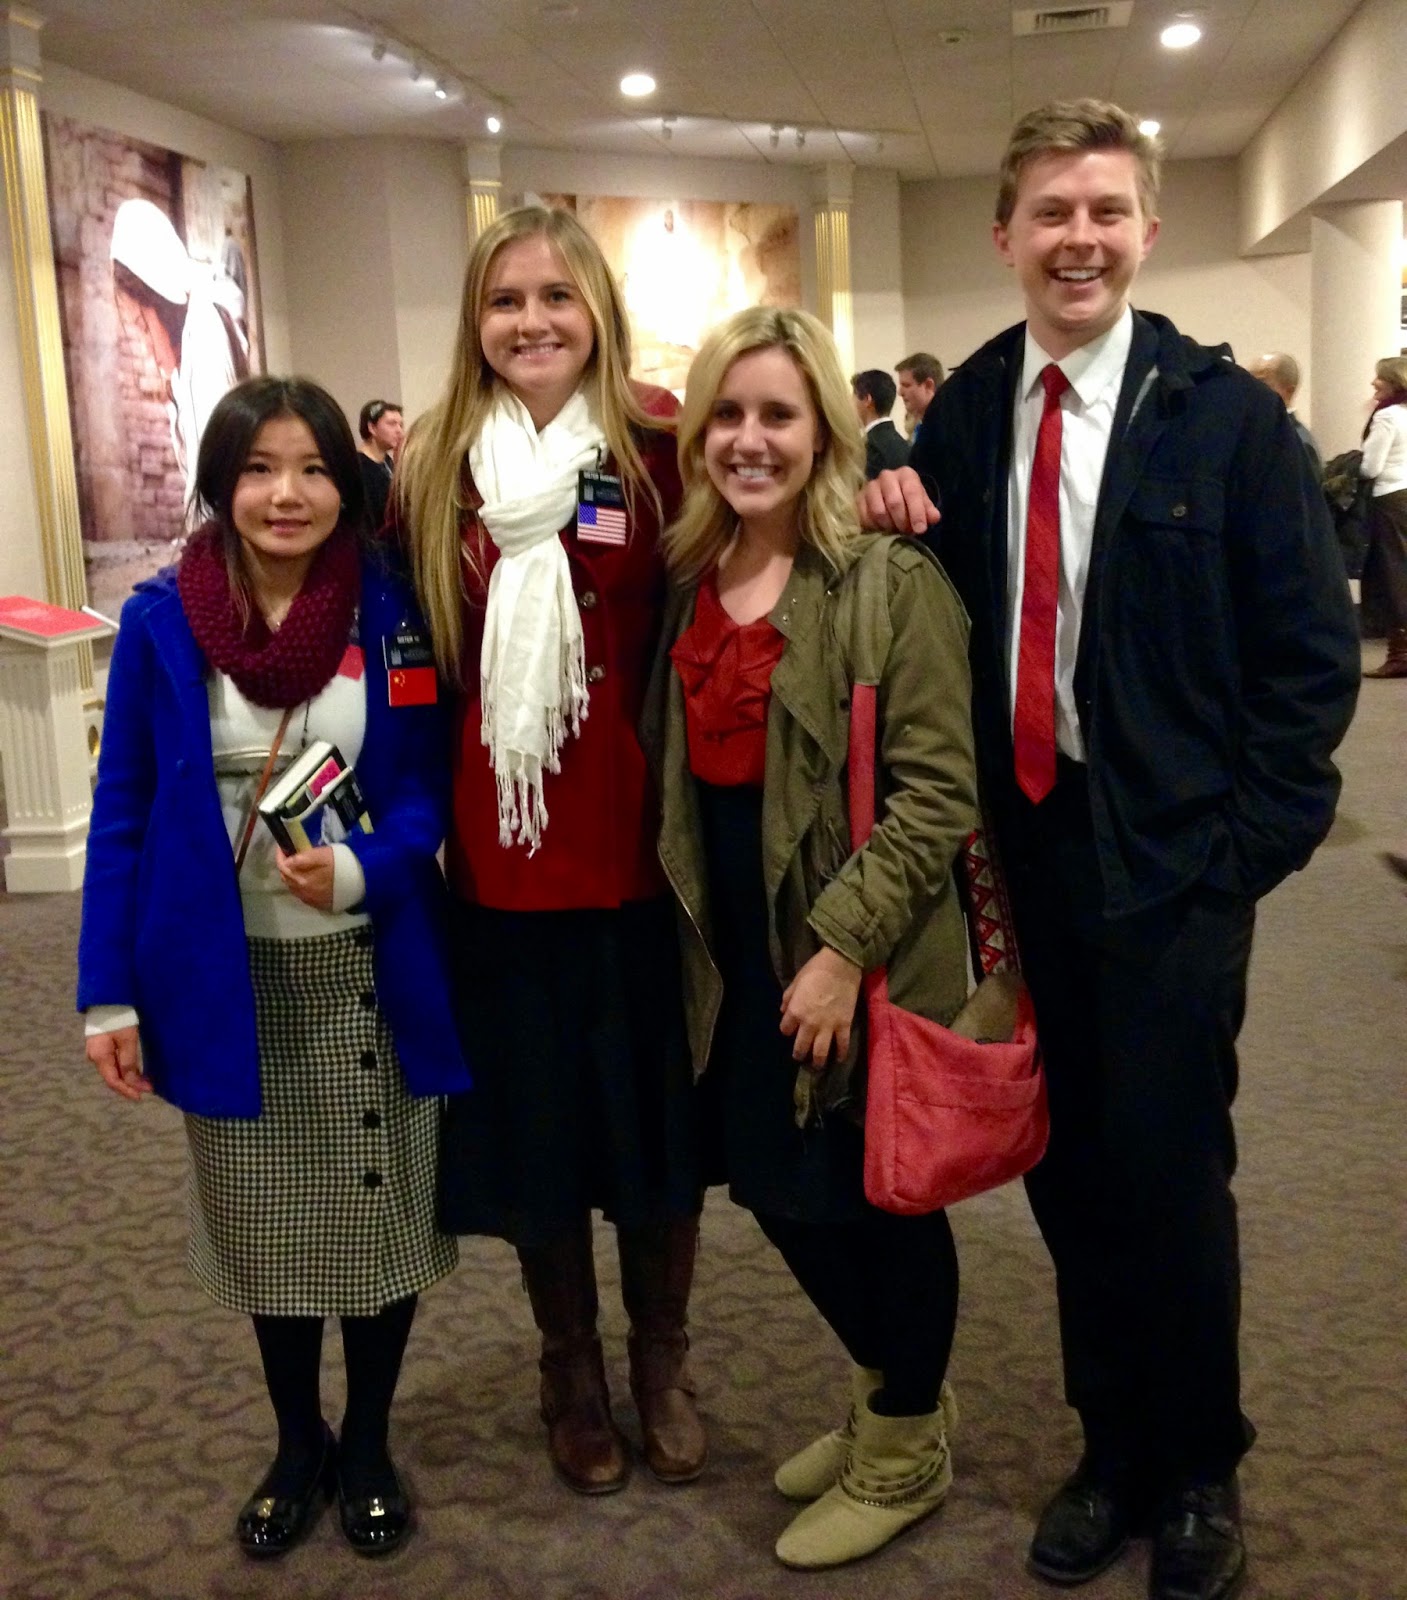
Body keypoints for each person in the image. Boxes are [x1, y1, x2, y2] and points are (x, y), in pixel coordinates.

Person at [861, 100, 1358, 1600]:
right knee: (1066, 1166)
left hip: (1173, 860)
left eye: (1103, 211)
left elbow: (1307, 658)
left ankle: (1197, 1462)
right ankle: (1110, 1448)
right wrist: (888, 507)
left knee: (1169, 1169)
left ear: (1146, 228)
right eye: (1049, 213)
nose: (1076, 239)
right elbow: (935, 603)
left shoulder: (1226, 420)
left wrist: (1244, 851)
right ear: (1003, 235)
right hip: (1025, 853)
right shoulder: (968, 411)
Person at [77, 376, 471, 1560]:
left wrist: (363, 868)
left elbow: (425, 786)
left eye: (310, 468)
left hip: (367, 970)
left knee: (381, 1228)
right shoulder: (162, 620)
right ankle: (300, 1441)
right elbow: (124, 810)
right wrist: (107, 991)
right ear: (220, 484)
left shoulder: (393, 608)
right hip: (225, 981)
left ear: (345, 482)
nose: (285, 493)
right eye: (257, 469)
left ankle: (371, 1439)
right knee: (265, 1233)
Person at [641, 306, 976, 1570]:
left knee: (872, 1200)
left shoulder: (888, 580)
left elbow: (938, 795)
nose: (750, 439)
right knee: (780, 1195)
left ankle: (906, 1443)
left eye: (778, 414)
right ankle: (896, 1394)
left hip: (847, 950)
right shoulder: (691, 577)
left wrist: (839, 950)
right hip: (732, 951)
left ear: (827, 430)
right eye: (727, 413)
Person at [394, 205, 707, 1495]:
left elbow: (767, 559)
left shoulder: (661, 449)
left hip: (639, 852)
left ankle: (662, 1362)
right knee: (541, 1129)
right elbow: (402, 654)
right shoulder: (433, 471)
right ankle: (569, 1368)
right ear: (477, 320)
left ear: (598, 312)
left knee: (652, 1127)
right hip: (501, 862)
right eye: (506, 299)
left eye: (556, 297)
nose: (532, 321)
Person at [1359, 356, 1407, 678]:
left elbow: (1370, 467)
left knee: (1393, 575)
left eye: (1380, 378)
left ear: (1394, 382)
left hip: (1389, 499)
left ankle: (1400, 654)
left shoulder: (1387, 416)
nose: (1374, 382)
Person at [1246, 352, 1322, 479]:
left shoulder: (1299, 443)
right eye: (1248, 383)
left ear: (1289, 391)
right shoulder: (1259, 433)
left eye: (1260, 384)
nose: (1250, 391)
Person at [851, 369, 910, 478]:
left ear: (867, 399)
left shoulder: (869, 449)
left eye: (853, 398)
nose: (850, 406)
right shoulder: (905, 445)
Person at [357, 399, 404, 532]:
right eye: (392, 424)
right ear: (372, 428)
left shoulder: (388, 461)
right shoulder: (359, 467)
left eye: (401, 425)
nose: (399, 431)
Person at [894, 351, 943, 444]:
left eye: (906, 385)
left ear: (928, 385)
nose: (900, 392)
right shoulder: (920, 428)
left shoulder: (947, 428)